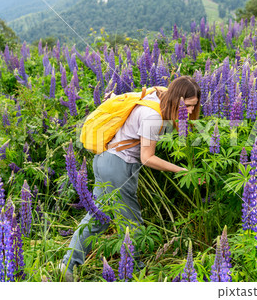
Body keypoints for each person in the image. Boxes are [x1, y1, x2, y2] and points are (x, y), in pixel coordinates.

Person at [60, 76, 201, 281]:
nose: (188, 112)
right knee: (131, 223)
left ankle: (67, 265)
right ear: (176, 99)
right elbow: (147, 157)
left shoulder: (158, 94)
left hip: (105, 160)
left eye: (193, 107)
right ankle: (137, 274)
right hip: (119, 165)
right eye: (187, 106)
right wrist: (182, 171)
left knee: (98, 218)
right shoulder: (152, 116)